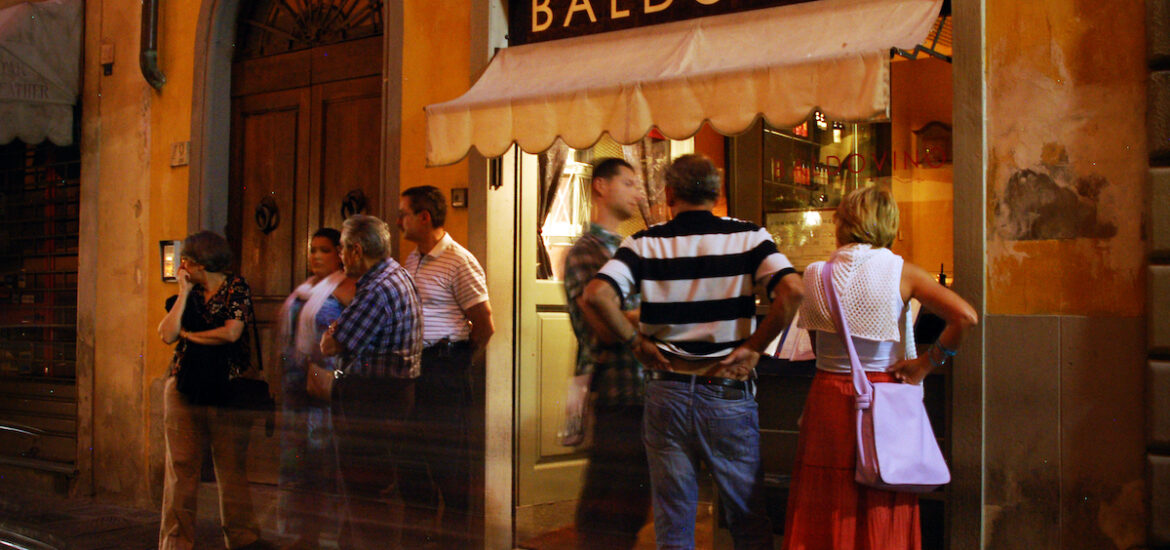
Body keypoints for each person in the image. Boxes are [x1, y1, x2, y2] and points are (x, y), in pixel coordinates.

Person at [582, 154, 804, 550]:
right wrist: (754, 347)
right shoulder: (750, 237)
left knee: (674, 522)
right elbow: (792, 291)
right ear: (716, 194)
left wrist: (637, 345)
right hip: (726, 391)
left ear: (669, 194)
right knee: (748, 520)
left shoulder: (645, 243)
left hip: (666, 390)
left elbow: (597, 294)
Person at [780, 186, 978, 550]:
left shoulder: (815, 274)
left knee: (826, 497)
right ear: (888, 224)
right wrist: (925, 365)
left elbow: (811, 340)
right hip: (882, 396)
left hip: (828, 396)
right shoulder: (903, 272)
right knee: (884, 485)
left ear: (843, 222)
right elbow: (965, 316)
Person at [157, 231, 270, 550]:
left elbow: (231, 333)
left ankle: (242, 538)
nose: (181, 267)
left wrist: (191, 336)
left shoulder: (237, 287)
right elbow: (167, 335)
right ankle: (175, 543)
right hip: (184, 387)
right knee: (180, 469)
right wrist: (182, 292)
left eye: (185, 263)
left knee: (230, 466)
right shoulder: (188, 293)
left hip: (227, 389)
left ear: (197, 264)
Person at [562, 158, 652, 549]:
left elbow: (617, 316)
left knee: (634, 501)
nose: (639, 192)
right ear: (601, 186)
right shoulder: (588, 250)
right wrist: (648, 314)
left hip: (644, 385)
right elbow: (603, 329)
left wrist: (625, 313)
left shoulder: (630, 248)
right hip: (615, 389)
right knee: (608, 503)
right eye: (629, 183)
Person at [319, 215, 423, 550]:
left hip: (372, 400)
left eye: (341, 250)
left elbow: (332, 344)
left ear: (356, 250)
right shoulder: (397, 275)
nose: (339, 258)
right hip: (390, 397)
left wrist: (333, 332)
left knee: (366, 489)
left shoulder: (376, 289)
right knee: (371, 488)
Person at [398, 185, 494, 546]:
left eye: (404, 213)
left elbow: (484, 323)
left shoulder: (459, 260)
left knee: (449, 462)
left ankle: (457, 539)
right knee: (413, 460)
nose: (399, 221)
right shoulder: (413, 258)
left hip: (444, 366)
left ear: (424, 217)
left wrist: (458, 360)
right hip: (414, 367)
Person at [274, 228, 356, 549]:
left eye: (324, 250)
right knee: (298, 464)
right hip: (296, 383)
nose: (316, 256)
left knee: (325, 463)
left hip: (325, 384)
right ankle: (302, 534)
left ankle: (330, 536)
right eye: (313, 250)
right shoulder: (303, 290)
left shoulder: (346, 289)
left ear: (339, 253)